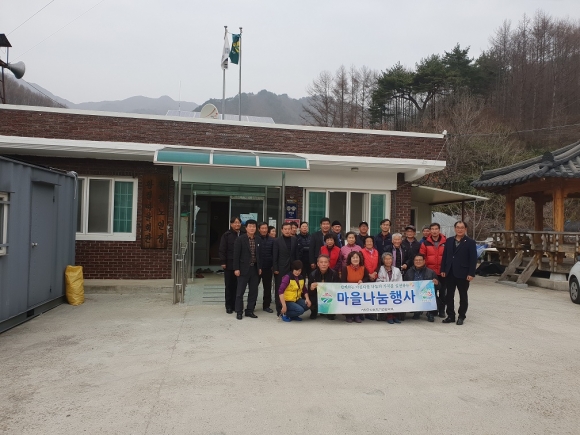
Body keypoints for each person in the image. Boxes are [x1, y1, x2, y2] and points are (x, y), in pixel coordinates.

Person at [441, 221, 477, 325]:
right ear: (455, 228)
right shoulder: (449, 241)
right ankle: (450, 315)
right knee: (449, 295)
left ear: (465, 229)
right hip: (450, 272)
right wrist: (443, 269)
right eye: (458, 227)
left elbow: (473, 259)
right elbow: (445, 256)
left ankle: (461, 316)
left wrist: (471, 273)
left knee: (463, 296)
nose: (459, 229)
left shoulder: (470, 242)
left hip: (463, 273)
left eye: (462, 228)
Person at [233, 219, 262, 320]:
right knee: (240, 292)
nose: (252, 228)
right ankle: (239, 311)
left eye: (254, 227)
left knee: (253, 291)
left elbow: (259, 255)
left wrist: (260, 267)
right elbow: (236, 255)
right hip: (243, 269)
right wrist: (236, 268)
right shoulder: (240, 239)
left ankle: (250, 310)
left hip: (255, 269)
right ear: (246, 228)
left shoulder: (258, 239)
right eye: (250, 226)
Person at [419, 222, 447, 318]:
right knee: (431, 292)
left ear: (439, 230)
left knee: (443, 292)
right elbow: (422, 257)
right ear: (430, 231)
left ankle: (442, 310)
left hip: (442, 272)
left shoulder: (446, 242)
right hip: (430, 272)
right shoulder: (425, 243)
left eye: (436, 229)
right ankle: (433, 310)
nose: (434, 231)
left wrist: (445, 269)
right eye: (432, 229)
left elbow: (448, 257)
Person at [404, 254, 439, 322]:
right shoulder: (409, 272)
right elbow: (405, 285)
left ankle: (430, 313)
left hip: (426, 294)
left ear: (424, 261)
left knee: (433, 297)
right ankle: (417, 311)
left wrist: (437, 283)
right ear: (414, 261)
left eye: (420, 260)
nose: (418, 262)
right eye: (416, 260)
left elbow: (438, 287)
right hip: (414, 294)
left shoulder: (431, 272)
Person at [273, 222, 298, 316]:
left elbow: (296, 254)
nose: (287, 231)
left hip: (292, 268)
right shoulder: (277, 241)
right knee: (280, 288)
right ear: (282, 230)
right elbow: (275, 256)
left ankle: (289, 308)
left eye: (289, 229)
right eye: (285, 229)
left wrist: (296, 267)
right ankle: (279, 309)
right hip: (281, 268)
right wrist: (275, 268)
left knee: (291, 288)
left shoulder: (294, 239)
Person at [219, 216, 241, 314]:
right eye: (235, 223)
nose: (237, 224)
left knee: (238, 286)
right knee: (229, 285)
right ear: (231, 224)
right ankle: (228, 306)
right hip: (229, 263)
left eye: (238, 222)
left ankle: (236, 305)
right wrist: (223, 261)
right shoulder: (226, 235)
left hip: (240, 264)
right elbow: (222, 249)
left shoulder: (243, 234)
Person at [308, 254, 341, 320]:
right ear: (318, 264)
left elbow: (338, 288)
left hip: (330, 295)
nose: (323, 264)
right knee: (312, 298)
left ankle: (329, 311)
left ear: (328, 264)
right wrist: (311, 288)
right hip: (317, 295)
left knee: (331, 315)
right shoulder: (312, 274)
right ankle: (314, 311)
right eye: (321, 262)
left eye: (325, 262)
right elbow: (309, 292)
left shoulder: (334, 274)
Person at [341, 251, 370, 323]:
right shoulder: (346, 268)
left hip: (359, 290)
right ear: (350, 259)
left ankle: (357, 315)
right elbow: (343, 281)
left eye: (357, 257)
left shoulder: (363, 268)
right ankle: (348, 315)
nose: (355, 259)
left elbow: (367, 277)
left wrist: (362, 281)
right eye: (353, 258)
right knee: (349, 301)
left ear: (360, 259)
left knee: (358, 301)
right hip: (348, 290)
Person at [376, 252, 403, 324]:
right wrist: (386, 287)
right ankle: (389, 316)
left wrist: (394, 287)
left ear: (392, 260)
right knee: (387, 298)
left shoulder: (397, 270)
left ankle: (395, 316)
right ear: (383, 260)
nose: (388, 261)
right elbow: (378, 280)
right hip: (384, 291)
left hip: (395, 291)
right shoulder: (380, 269)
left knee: (396, 298)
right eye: (386, 259)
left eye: (390, 259)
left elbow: (400, 281)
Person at [257, 222, 275, 313]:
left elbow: (274, 254)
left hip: (268, 267)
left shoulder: (272, 240)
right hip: (256, 268)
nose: (264, 230)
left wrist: (273, 265)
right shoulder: (255, 239)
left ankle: (266, 305)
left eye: (265, 228)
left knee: (267, 287)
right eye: (262, 228)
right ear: (259, 229)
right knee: (254, 287)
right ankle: (251, 305)